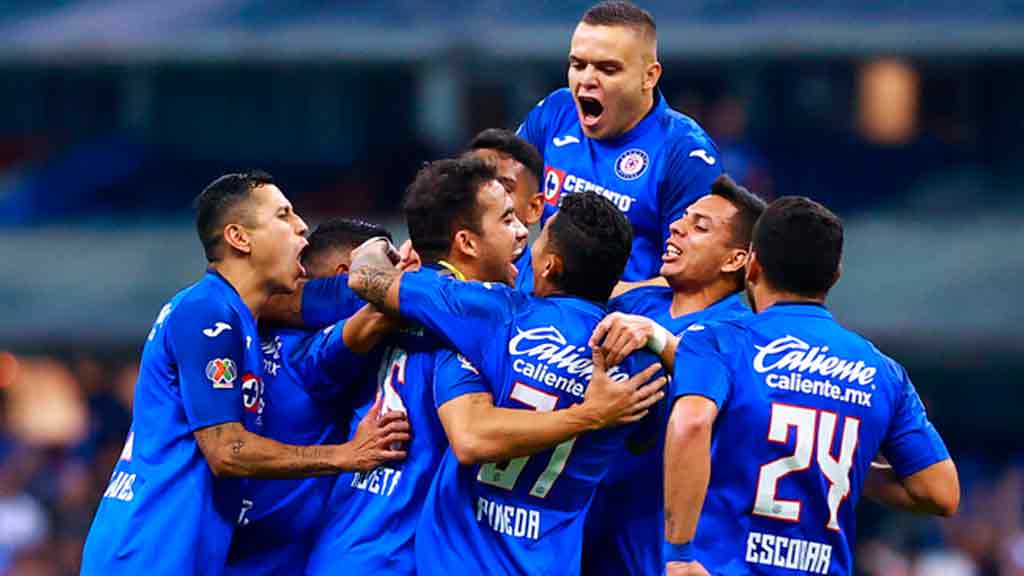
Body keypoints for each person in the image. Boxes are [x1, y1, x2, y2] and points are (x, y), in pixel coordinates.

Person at [305, 157, 663, 576]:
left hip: (362, 549)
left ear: (551, 264)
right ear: (467, 242)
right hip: (400, 556)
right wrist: (659, 341)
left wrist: (376, 252)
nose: (523, 231)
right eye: (508, 219)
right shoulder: (479, 319)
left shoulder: (481, 316)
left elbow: (357, 288)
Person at [80, 172, 408, 576]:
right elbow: (226, 449)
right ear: (239, 238)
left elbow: (321, 301)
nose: (301, 226)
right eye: (283, 215)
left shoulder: (237, 320)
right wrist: (343, 455)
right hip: (149, 550)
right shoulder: (209, 313)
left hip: (174, 550)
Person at [663, 197, 959, 575]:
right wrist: (834, 460)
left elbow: (690, 424)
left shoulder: (717, 340)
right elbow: (940, 492)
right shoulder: (884, 373)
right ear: (835, 277)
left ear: (752, 265)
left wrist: (679, 554)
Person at [582, 174, 766, 575]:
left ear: (735, 260)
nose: (677, 227)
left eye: (700, 226)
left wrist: (658, 338)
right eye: (682, 218)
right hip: (580, 527)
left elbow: (737, 399)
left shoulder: (742, 334)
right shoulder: (635, 301)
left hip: (659, 548)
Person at [225, 218, 396, 576]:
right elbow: (376, 304)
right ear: (345, 273)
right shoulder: (312, 353)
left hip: (219, 547)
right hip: (274, 559)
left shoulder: (242, 326)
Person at [517, 0, 722, 282]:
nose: (587, 80)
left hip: (625, 308)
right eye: (578, 65)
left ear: (649, 77)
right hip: (538, 300)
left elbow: (698, 278)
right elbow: (496, 202)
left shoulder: (685, 154)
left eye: (608, 69)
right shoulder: (556, 113)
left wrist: (595, 295)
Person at [465, 128, 545, 293]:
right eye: (474, 184)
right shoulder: (423, 268)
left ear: (534, 208)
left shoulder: (544, 290)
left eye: (503, 188)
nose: (483, 197)